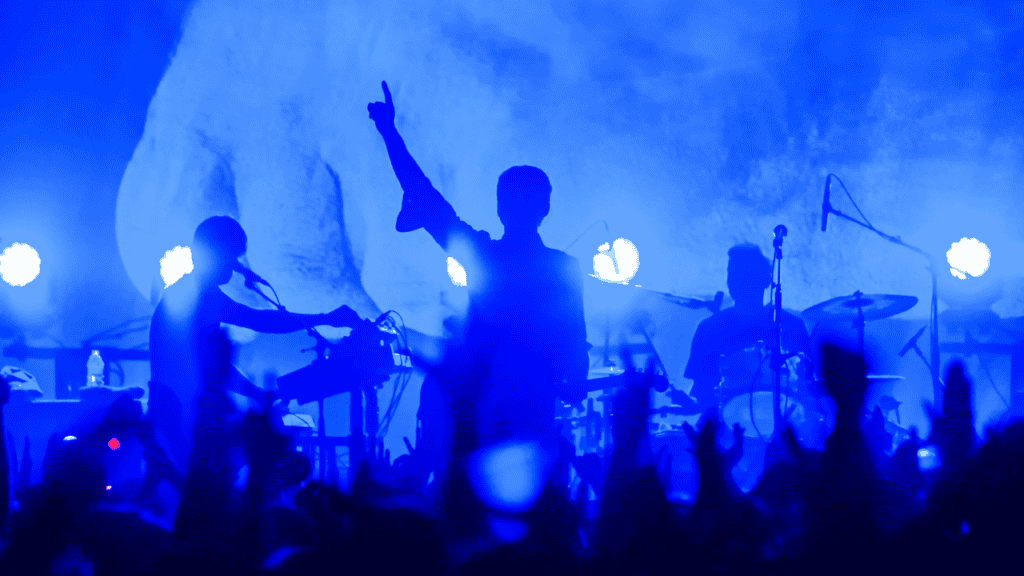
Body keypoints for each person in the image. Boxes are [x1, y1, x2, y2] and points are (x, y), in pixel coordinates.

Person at [367, 81, 589, 467]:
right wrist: (575, 377)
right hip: (534, 394)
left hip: (484, 392)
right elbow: (575, 332)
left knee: (475, 485)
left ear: (501, 206)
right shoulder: (563, 269)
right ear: (547, 207)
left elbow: (425, 195)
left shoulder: (483, 256)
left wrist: (389, 132)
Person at [148, 216, 363, 469]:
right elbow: (260, 321)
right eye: (232, 255)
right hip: (178, 413)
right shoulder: (195, 294)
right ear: (216, 252)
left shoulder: (197, 292)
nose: (235, 265)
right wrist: (326, 318)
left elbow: (209, 366)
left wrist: (255, 392)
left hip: (179, 409)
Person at [684, 243, 810, 413]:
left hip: (786, 424)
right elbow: (702, 390)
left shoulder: (791, 326)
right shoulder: (709, 329)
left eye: (746, 274)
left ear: (766, 280)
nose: (736, 280)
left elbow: (810, 383)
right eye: (732, 273)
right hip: (729, 429)